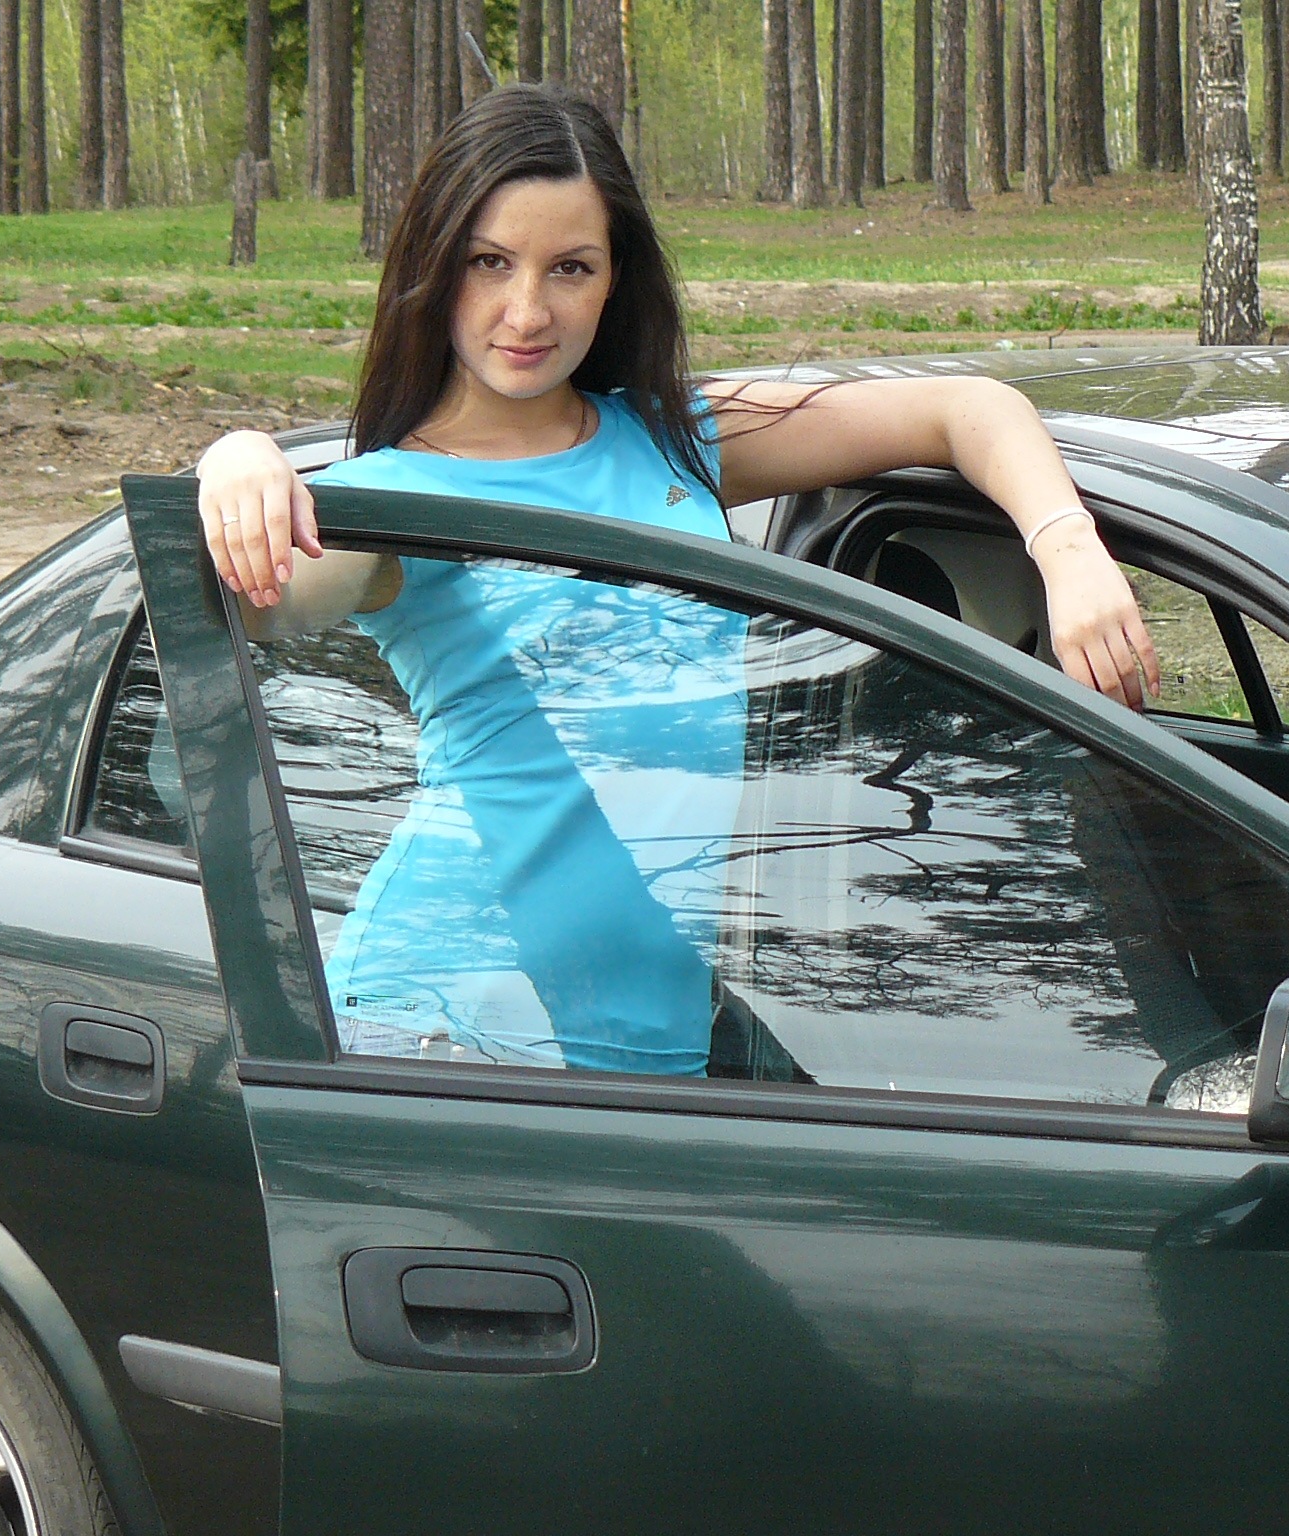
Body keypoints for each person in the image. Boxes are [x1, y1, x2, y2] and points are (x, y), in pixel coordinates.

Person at [195, 85, 1160, 1074]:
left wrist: (1068, 552)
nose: (526, 311)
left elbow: (968, 409)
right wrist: (235, 459)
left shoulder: (676, 438)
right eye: (490, 263)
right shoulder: (388, 500)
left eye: (570, 268)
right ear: (436, 266)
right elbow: (265, 602)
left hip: (650, 1045)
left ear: (615, 279)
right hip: (440, 1031)